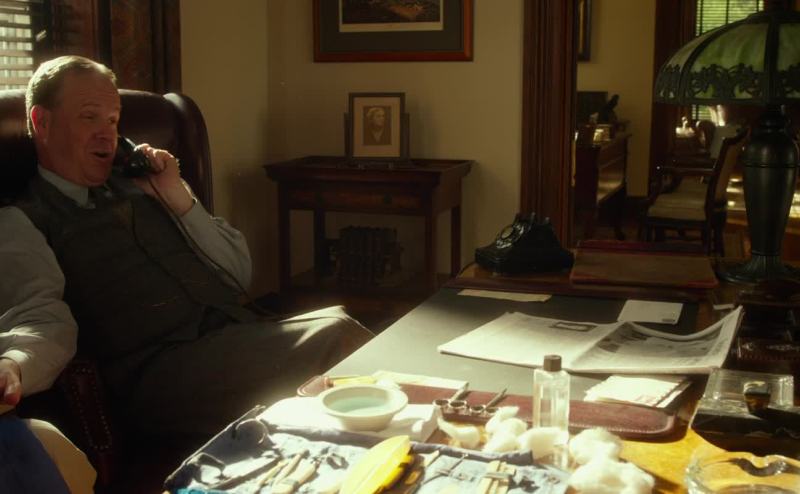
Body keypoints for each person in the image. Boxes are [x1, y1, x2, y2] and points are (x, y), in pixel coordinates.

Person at [0, 55, 373, 439]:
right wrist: (14, 364)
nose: (106, 134)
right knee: (337, 335)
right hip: (156, 376)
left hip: (233, 338)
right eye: (89, 117)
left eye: (113, 120)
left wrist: (177, 197)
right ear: (42, 122)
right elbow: (40, 318)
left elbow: (239, 274)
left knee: (342, 335)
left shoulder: (146, 183)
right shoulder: (22, 220)